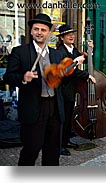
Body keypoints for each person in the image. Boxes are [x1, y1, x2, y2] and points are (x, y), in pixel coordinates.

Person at [3, 13, 84, 166]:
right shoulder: (20, 52)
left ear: (49, 33)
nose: (39, 32)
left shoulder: (57, 54)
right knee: (31, 150)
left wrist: (72, 67)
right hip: (34, 107)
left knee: (53, 152)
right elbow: (8, 77)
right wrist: (22, 77)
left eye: (43, 29)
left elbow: (62, 79)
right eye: (36, 29)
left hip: (54, 107)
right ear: (31, 31)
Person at [56, 25, 96, 156]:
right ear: (62, 38)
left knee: (69, 117)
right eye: (68, 34)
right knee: (63, 118)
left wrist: (90, 49)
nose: (71, 36)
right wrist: (87, 75)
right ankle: (60, 145)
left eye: (72, 33)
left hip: (73, 89)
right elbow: (67, 71)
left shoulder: (73, 49)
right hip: (63, 89)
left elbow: (83, 58)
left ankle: (66, 141)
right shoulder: (60, 51)